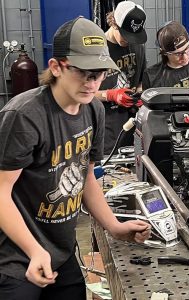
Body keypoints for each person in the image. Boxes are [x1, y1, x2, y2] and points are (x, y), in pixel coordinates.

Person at [0, 17, 151, 299]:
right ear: (56, 67)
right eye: (83, 72)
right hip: (16, 258)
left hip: (61, 251)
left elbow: (87, 180)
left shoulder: (93, 110)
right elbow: (0, 191)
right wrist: (33, 250)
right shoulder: (24, 116)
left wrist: (116, 227)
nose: (92, 82)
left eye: (99, 74)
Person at [96, 1, 148, 154]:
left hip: (132, 128)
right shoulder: (97, 50)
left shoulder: (138, 46)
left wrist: (140, 95)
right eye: (126, 36)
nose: (129, 42)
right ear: (114, 24)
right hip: (105, 129)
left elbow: (139, 82)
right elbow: (80, 95)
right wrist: (110, 95)